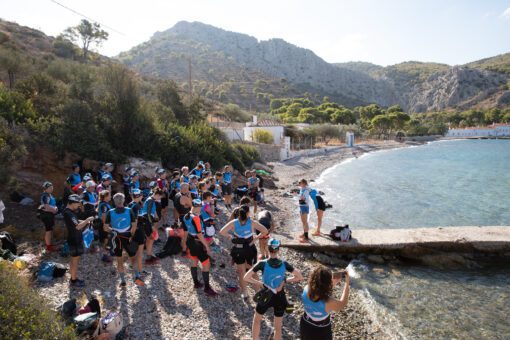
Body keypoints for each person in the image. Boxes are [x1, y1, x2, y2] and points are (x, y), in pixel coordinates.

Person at [244, 238, 303, 340]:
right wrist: (285, 281)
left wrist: (260, 283)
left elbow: (246, 277)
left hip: (265, 295)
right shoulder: (284, 264)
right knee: (278, 328)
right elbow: (299, 277)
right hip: (280, 296)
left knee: (257, 320)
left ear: (268, 248)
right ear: (278, 250)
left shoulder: (262, 263)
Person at [220, 205, 268, 300]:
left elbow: (222, 231)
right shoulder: (252, 222)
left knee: (241, 272)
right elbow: (265, 231)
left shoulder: (234, 222)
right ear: (247, 213)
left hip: (238, 249)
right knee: (253, 272)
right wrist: (256, 238)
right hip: (249, 248)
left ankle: (245, 293)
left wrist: (230, 237)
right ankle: (258, 293)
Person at [300, 266, 350, 340]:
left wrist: (331, 282)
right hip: (321, 330)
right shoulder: (328, 301)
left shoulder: (306, 289)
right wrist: (347, 283)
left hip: (305, 324)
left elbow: (318, 288)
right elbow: (342, 304)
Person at [104, 193, 142, 287]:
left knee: (119, 259)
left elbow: (105, 228)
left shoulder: (110, 212)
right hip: (127, 236)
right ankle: (137, 276)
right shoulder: (129, 211)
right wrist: (131, 235)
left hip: (116, 238)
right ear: (123, 200)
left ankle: (122, 280)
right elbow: (134, 225)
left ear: (114, 201)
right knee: (133, 257)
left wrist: (113, 231)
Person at [183, 199, 218, 296]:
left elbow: (185, 231)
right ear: (198, 207)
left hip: (190, 240)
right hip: (197, 242)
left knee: (194, 261)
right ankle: (207, 288)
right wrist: (207, 246)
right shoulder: (196, 218)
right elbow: (200, 234)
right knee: (206, 264)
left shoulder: (186, 216)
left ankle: (196, 283)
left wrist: (184, 246)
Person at [63, 194, 95, 287]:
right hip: (74, 239)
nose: (79, 205)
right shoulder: (69, 213)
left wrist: (85, 221)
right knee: (75, 261)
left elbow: (76, 221)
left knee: (73, 260)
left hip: (73, 238)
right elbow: (77, 226)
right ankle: (74, 280)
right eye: (77, 203)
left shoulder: (69, 212)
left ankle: (72, 277)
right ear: (72, 203)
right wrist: (87, 220)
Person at [140, 187, 164, 265]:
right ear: (157, 194)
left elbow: (151, 211)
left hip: (146, 220)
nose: (160, 198)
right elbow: (148, 214)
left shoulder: (151, 199)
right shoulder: (151, 200)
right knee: (150, 239)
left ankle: (149, 254)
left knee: (149, 239)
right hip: (146, 221)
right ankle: (148, 257)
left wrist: (156, 216)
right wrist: (152, 224)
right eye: (160, 196)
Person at [128, 189, 146, 282]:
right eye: (141, 195)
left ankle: (133, 267)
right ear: (139, 196)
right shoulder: (137, 206)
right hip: (138, 231)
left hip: (132, 230)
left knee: (133, 252)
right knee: (139, 253)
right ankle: (139, 272)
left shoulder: (130, 204)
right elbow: (135, 222)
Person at [39, 181, 58, 252]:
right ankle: (48, 247)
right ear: (45, 189)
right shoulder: (45, 195)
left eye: (52, 187)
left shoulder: (49, 195)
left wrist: (55, 209)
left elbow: (51, 205)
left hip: (50, 215)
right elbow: (46, 207)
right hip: (47, 215)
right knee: (48, 231)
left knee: (49, 230)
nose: (51, 189)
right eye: (50, 187)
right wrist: (54, 210)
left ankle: (49, 245)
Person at [174, 183, 192, 252]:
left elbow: (176, 207)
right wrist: (189, 196)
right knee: (185, 234)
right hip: (185, 217)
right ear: (185, 189)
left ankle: (182, 246)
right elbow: (192, 205)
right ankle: (184, 249)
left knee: (183, 233)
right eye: (188, 188)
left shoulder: (177, 195)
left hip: (180, 216)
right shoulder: (184, 197)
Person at [97, 190, 113, 263]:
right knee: (106, 240)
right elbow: (103, 216)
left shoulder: (106, 204)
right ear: (106, 196)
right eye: (109, 195)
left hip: (106, 224)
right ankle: (105, 255)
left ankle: (108, 252)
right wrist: (105, 226)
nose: (111, 196)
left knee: (108, 239)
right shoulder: (104, 205)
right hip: (104, 224)